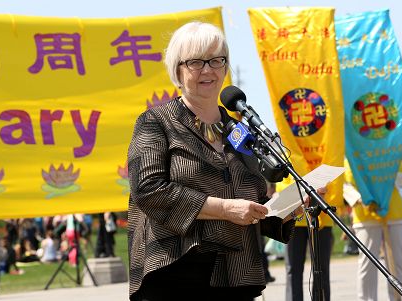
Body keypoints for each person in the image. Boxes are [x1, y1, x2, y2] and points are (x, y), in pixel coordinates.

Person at [127, 22, 315, 301]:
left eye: (216, 60)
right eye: (196, 62)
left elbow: (252, 204)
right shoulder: (155, 122)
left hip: (235, 276)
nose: (208, 69)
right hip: (174, 274)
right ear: (177, 70)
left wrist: (288, 207)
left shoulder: (238, 130)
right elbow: (149, 190)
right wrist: (225, 209)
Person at [345, 160, 402, 301]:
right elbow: (344, 183)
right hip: (365, 215)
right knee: (368, 264)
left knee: (396, 263)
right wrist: (362, 199)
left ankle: (396, 298)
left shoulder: (389, 150)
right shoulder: (352, 151)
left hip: (394, 213)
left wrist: (385, 170)